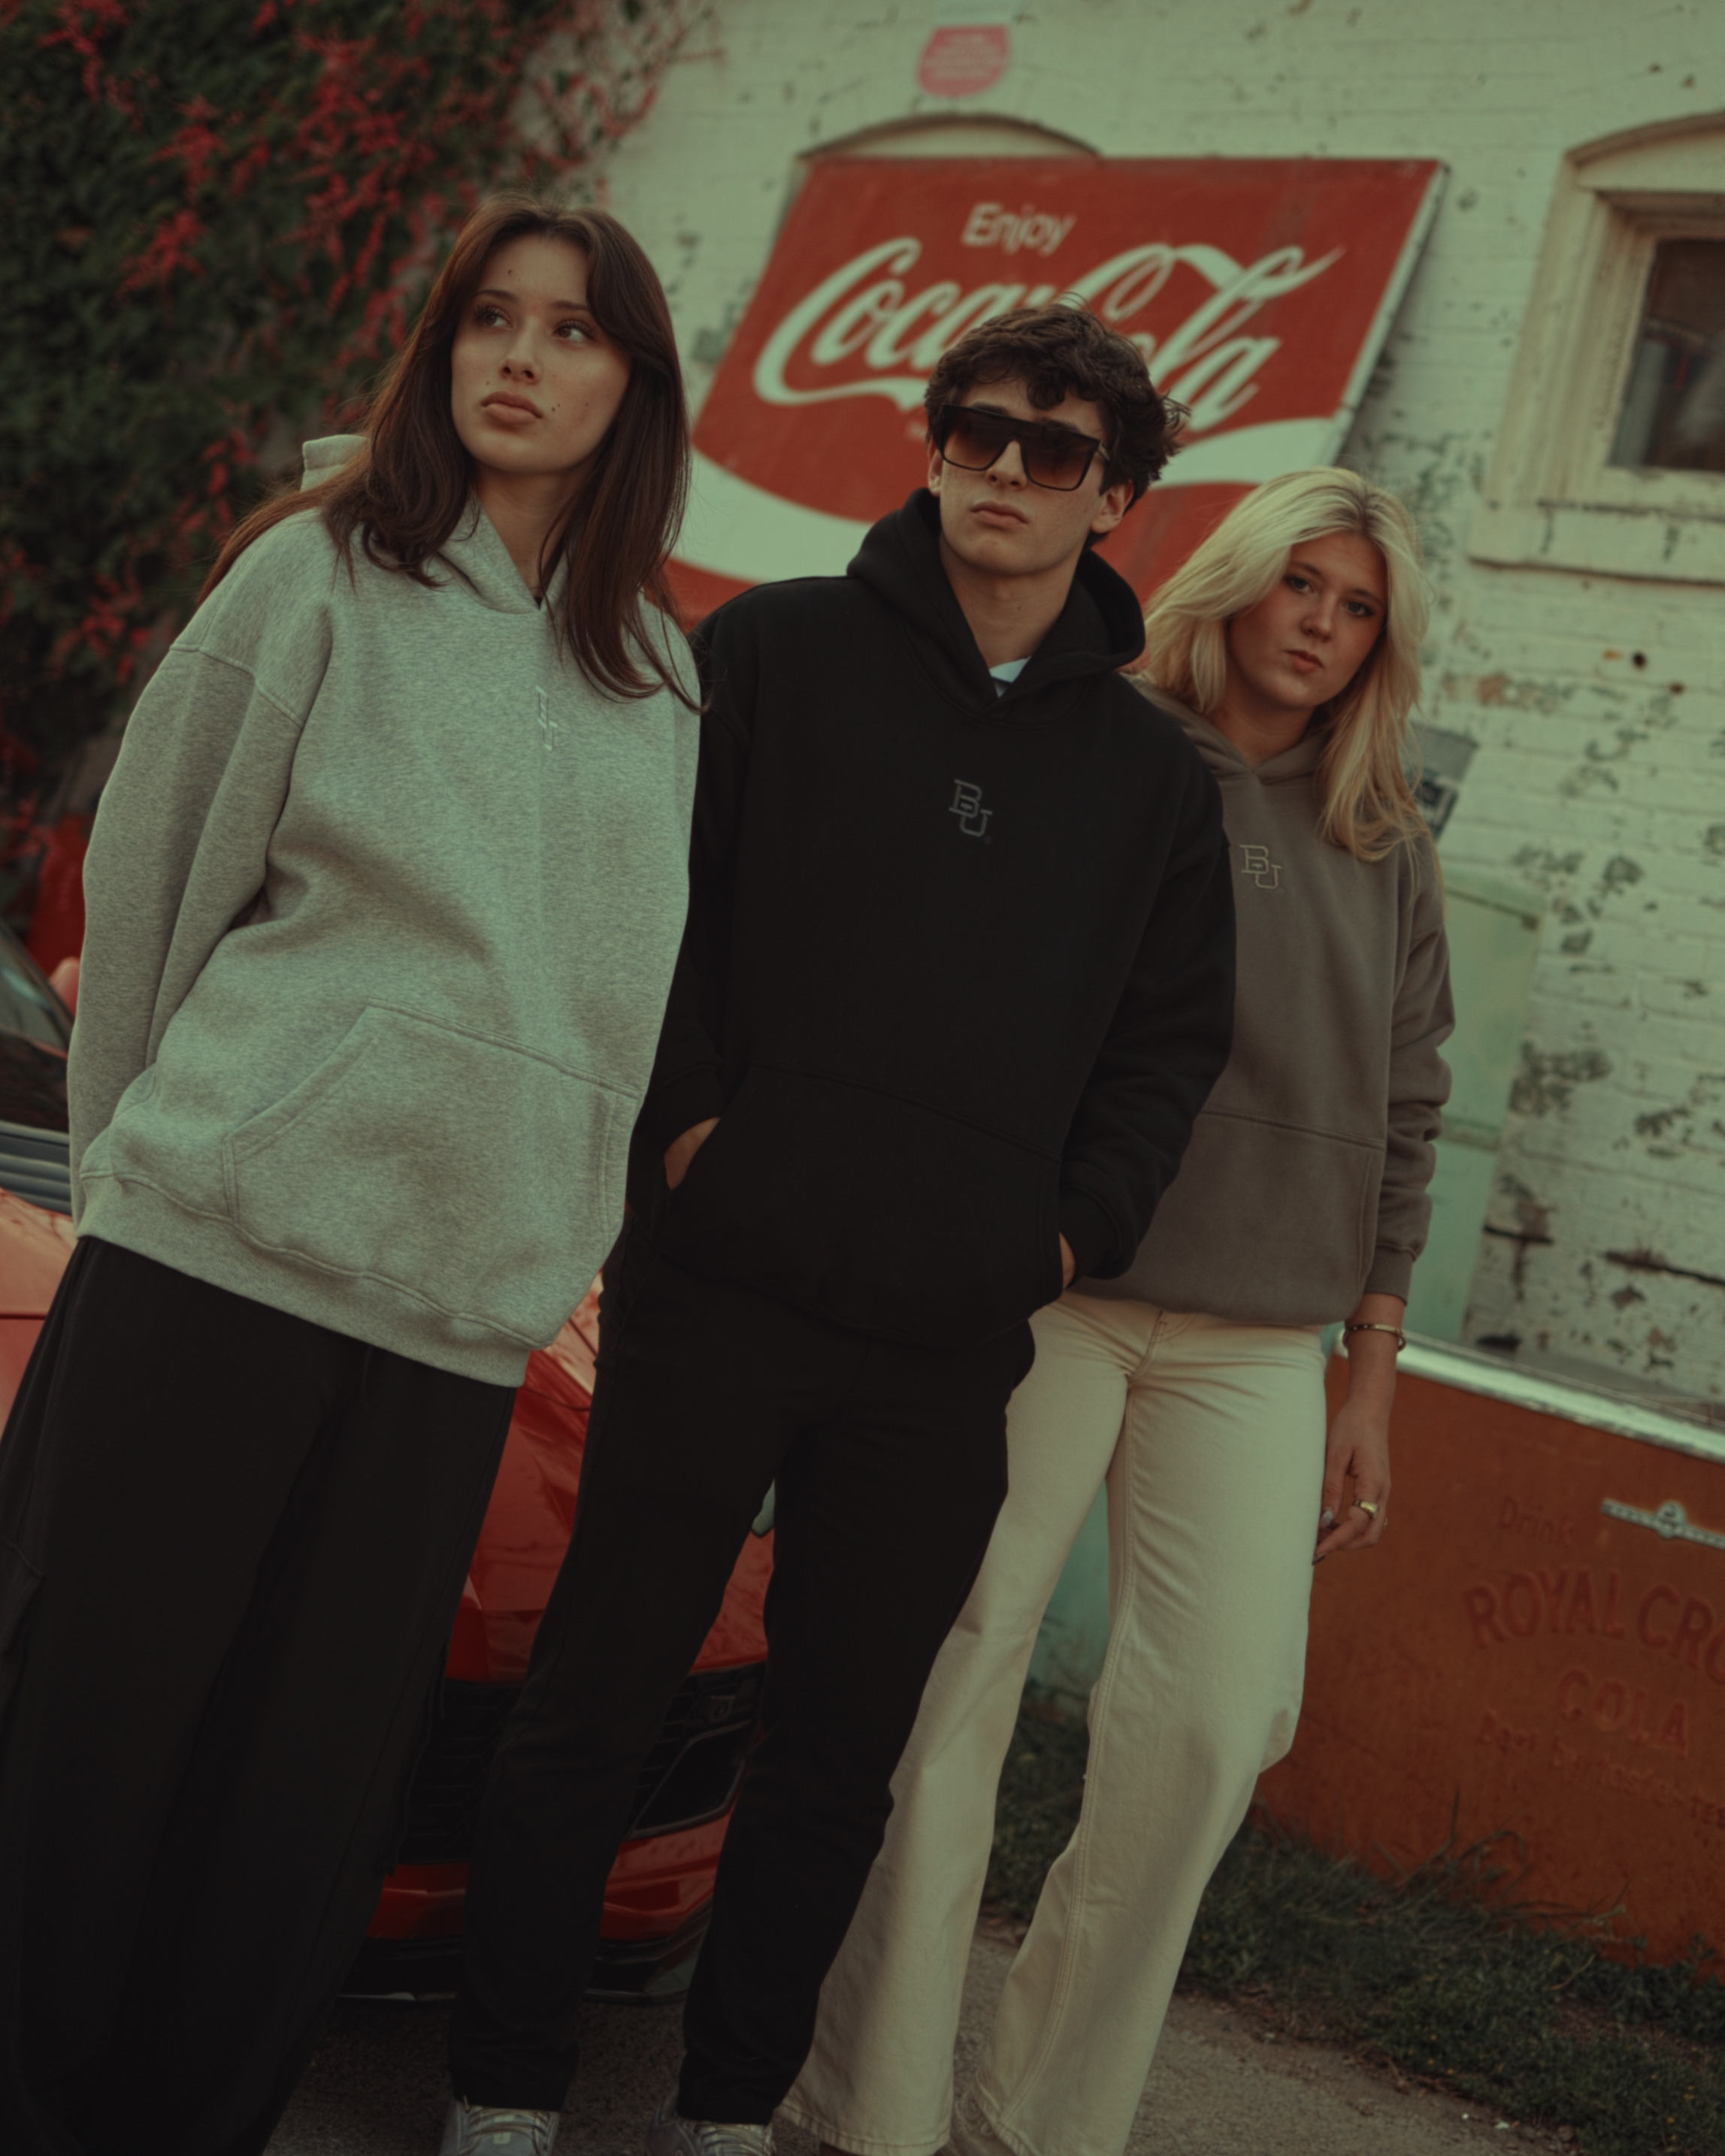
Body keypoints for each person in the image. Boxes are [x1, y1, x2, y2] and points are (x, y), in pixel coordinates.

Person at [441, 304, 1237, 2156]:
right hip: (715, 1285)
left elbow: (1167, 1046)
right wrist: (698, 1139)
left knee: (833, 1763)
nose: (1005, 473)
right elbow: (654, 912)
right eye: (978, 432)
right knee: (596, 1699)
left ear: (1117, 496)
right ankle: (500, 2092)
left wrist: (1056, 1242)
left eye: (1054, 452)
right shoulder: (773, 652)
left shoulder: (1148, 785)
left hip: (946, 1339)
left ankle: (727, 2114)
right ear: (934, 439)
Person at [0, 195, 699, 2156]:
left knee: (298, 1794)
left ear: (632, 383)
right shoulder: (317, 572)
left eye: (570, 330)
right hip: (216, 1252)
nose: (519, 357)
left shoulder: (659, 675)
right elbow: (148, 882)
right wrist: (145, 1160)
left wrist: (552, 1230)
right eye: (488, 318)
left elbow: (620, 996)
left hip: (451, 1312)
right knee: (83, 1735)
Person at [788, 466, 1454, 2156]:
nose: (1318, 622)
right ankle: (858, 2100)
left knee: (1218, 1719)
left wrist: (1367, 1375)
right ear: (1234, 581)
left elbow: (1413, 1105)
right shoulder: (1108, 751)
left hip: (1261, 1341)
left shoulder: (1387, 834)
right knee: (953, 1677)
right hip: (1058, 1299)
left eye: (1356, 603)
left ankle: (1040, 2120)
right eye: (1298, 583)